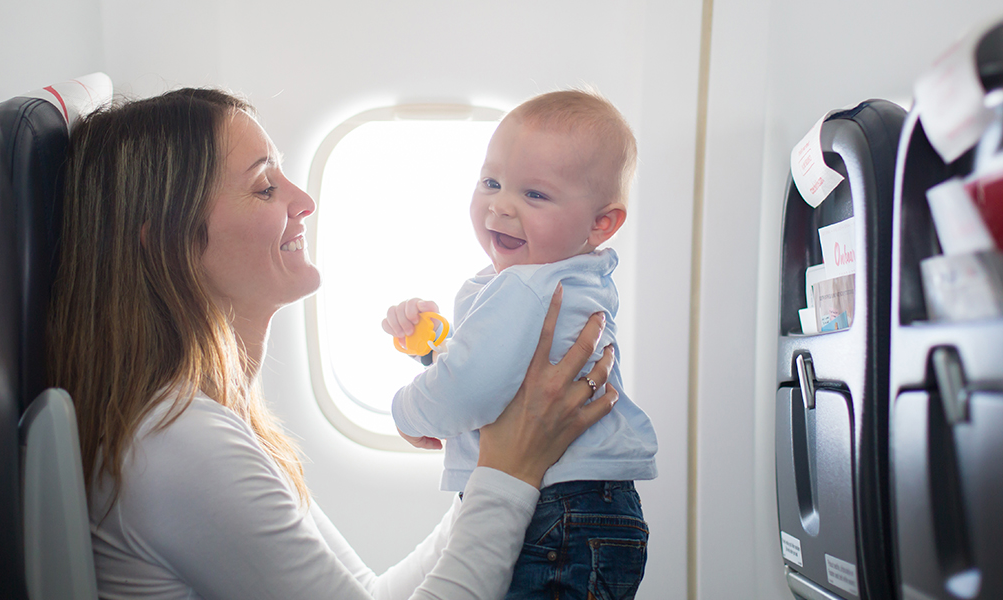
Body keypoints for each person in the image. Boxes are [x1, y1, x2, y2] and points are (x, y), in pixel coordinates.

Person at [46, 87, 619, 600]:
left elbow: (367, 594)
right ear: (168, 243)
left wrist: (504, 462)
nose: (303, 200)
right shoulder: (177, 442)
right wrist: (509, 473)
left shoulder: (218, 419)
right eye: (265, 186)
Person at [382, 89, 658, 600]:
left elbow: (469, 392)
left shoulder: (525, 286)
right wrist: (433, 348)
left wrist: (405, 411)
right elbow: (506, 373)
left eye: (535, 195)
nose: (501, 205)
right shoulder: (566, 277)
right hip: (589, 511)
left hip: (557, 513)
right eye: (491, 182)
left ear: (602, 223)